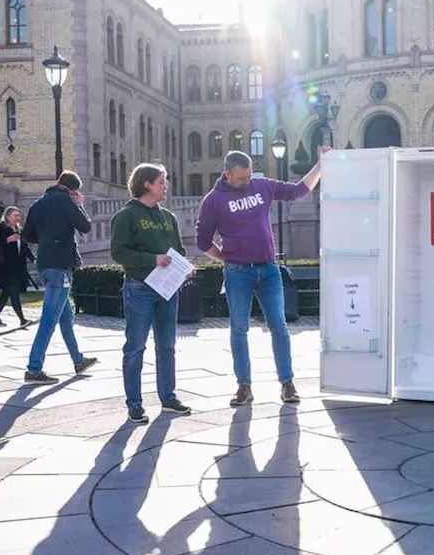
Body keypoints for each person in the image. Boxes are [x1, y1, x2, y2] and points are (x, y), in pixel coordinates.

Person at [195, 147, 330, 407]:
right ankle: (244, 387)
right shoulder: (213, 201)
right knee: (239, 328)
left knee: (279, 325)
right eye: (241, 178)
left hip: (269, 270)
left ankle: (287, 384)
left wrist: (320, 166)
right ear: (227, 174)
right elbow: (202, 240)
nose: (247, 182)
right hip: (237, 273)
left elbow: (298, 190)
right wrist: (225, 258)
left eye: (248, 177)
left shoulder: (262, 186)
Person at [110, 163, 193, 423]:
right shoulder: (126, 216)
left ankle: (168, 398)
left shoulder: (169, 217)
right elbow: (119, 253)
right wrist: (152, 259)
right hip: (139, 289)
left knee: (167, 346)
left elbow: (179, 250)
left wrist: (184, 268)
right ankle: (134, 403)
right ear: (146, 184)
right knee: (135, 347)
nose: (165, 186)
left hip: (168, 289)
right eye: (161, 181)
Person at [22, 171, 97, 383]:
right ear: (73, 191)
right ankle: (34, 368)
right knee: (49, 318)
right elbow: (85, 226)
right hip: (60, 265)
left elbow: (27, 235)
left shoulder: (38, 203)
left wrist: (47, 238)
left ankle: (78, 360)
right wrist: (79, 204)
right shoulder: (66, 201)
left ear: (57, 183)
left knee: (66, 317)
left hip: (45, 262)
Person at [0, 206, 34, 328]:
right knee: (13, 293)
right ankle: (22, 320)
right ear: (7, 216)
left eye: (18, 215)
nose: (17, 218)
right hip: (5, 267)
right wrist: (7, 240)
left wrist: (33, 259)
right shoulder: (1, 228)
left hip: (18, 268)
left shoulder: (19, 230)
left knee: (6, 293)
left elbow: (25, 248)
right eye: (15, 215)